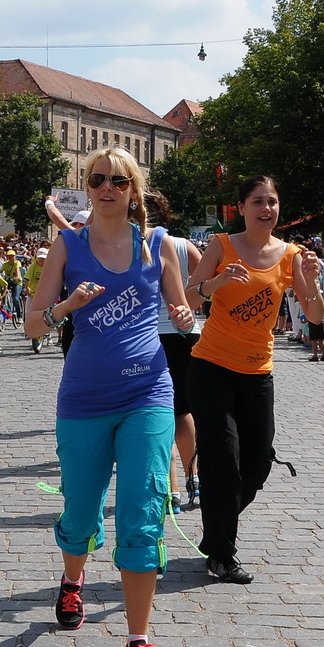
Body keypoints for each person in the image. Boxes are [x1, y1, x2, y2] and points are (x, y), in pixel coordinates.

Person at [26, 149, 194, 647]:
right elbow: (33, 325)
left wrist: (186, 312)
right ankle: (72, 576)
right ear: (88, 186)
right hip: (84, 400)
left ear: (133, 189)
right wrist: (67, 306)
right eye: (96, 178)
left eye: (117, 180)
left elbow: (181, 307)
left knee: (143, 512)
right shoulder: (68, 244)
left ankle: (138, 640)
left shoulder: (157, 243)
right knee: (80, 513)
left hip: (148, 393)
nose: (106, 187)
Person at [184, 175, 324, 584]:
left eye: (273, 201)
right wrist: (216, 282)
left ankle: (215, 530)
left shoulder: (292, 255)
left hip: (257, 372)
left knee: (258, 465)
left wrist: (313, 281)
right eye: (258, 201)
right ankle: (223, 553)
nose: (267, 208)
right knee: (223, 462)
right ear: (241, 207)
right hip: (211, 368)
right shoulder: (221, 245)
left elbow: (314, 317)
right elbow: (188, 298)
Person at [142, 189, 204, 506]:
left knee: (160, 412)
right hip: (184, 331)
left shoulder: (136, 243)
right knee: (183, 410)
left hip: (151, 335)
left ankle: (171, 487)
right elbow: (206, 276)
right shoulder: (181, 244)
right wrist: (192, 297)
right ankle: (194, 475)